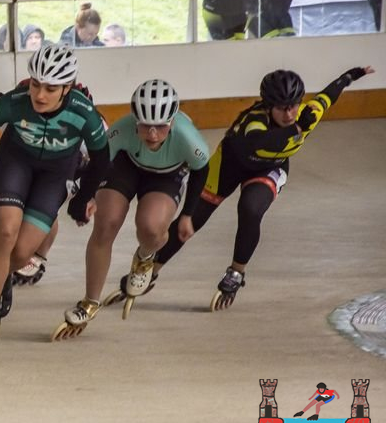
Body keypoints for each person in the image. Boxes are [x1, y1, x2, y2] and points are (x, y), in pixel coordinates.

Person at [149, 66, 374, 311]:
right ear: (268, 106)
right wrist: (296, 129)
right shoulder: (255, 120)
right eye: (281, 108)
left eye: (293, 106)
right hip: (230, 164)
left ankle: (236, 273)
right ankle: (150, 270)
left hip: (270, 168)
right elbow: (258, 142)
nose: (289, 114)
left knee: (251, 208)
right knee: (194, 219)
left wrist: (350, 77)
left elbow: (327, 96)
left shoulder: (307, 113)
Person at [0, 44, 110, 363]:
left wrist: (85, 197)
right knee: (5, 232)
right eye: (36, 84)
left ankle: (1, 280)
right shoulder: (15, 101)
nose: (39, 94)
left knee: (22, 253)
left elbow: (103, 160)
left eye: (50, 88)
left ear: (67, 88)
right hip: (16, 162)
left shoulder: (84, 113)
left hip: (55, 173)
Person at [53, 80, 210, 341]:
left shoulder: (188, 137)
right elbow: (100, 161)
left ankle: (145, 257)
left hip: (166, 175)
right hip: (127, 165)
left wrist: (187, 214)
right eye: (145, 126)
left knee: (151, 228)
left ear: (172, 121)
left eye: (161, 127)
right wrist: (87, 195)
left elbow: (200, 171)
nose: (152, 135)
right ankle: (90, 302)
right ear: (135, 120)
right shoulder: (122, 129)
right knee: (106, 223)